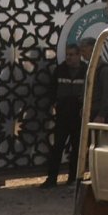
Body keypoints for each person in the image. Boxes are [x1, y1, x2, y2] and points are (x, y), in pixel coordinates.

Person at [40, 40, 90, 188]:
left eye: (72, 55)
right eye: (67, 54)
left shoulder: (86, 70)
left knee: (76, 149)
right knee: (57, 148)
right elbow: (52, 88)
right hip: (63, 115)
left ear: (79, 55)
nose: (69, 58)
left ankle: (73, 179)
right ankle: (52, 178)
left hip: (78, 115)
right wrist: (55, 102)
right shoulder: (60, 70)